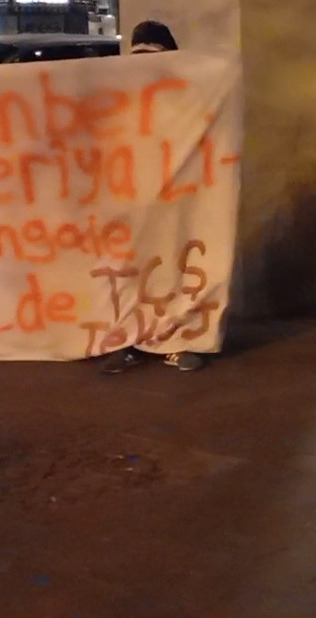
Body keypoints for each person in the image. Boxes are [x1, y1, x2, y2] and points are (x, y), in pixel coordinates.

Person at [103, 20, 206, 375]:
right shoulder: (127, 91)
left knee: (170, 266)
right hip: (139, 194)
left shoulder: (184, 91)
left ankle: (172, 340)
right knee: (137, 268)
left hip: (170, 195)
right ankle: (136, 341)